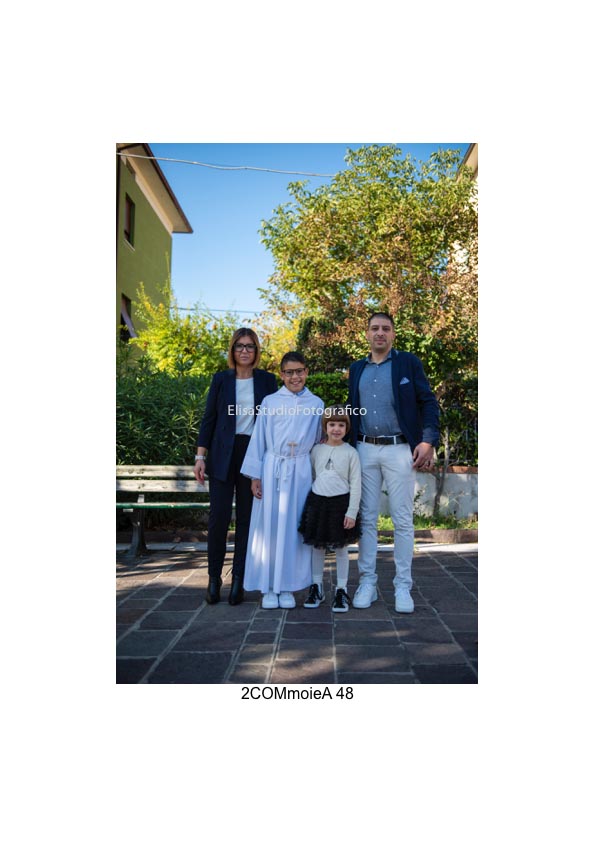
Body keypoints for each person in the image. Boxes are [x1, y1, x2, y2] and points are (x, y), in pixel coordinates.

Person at [347, 312, 439, 613]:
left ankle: (402, 586)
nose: (380, 333)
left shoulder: (408, 363)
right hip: (365, 450)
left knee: (402, 519)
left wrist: (427, 441)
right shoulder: (357, 368)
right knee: (367, 519)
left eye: (385, 328)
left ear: (393, 334)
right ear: (366, 333)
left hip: (399, 450)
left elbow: (428, 402)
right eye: (374, 328)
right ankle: (368, 583)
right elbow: (352, 409)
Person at [194, 328, 277, 605]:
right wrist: (200, 457)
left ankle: (239, 578)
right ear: (232, 350)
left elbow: (275, 421)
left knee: (246, 519)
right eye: (240, 346)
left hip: (252, 453)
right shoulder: (221, 379)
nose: (244, 350)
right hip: (221, 453)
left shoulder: (267, 380)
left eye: (250, 346)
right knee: (218, 518)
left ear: (256, 351)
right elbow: (209, 418)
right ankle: (214, 578)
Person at [241, 352, 324, 609]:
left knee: (294, 529)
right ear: (282, 375)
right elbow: (259, 438)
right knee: (269, 527)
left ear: (306, 372)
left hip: (301, 471)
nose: (295, 377)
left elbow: (319, 441)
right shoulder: (270, 402)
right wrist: (255, 475)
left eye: (299, 371)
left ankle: (287, 586)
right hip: (272, 469)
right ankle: (268, 587)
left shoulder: (316, 404)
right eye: (289, 372)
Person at [299, 405, 361, 613]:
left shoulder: (351, 453)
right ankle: (317, 587)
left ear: (346, 428)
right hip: (318, 504)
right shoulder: (316, 450)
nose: (336, 429)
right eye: (332, 424)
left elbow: (356, 484)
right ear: (325, 427)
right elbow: (312, 476)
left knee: (341, 549)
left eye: (341, 425)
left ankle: (341, 590)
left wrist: (351, 512)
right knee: (317, 547)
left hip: (340, 505)